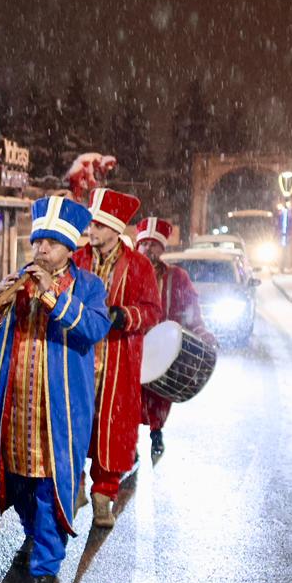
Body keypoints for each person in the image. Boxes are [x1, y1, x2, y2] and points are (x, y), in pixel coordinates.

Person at [0, 196, 112, 583]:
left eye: (50, 243)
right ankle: (34, 539)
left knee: (51, 485)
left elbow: (94, 328)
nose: (41, 250)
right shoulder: (18, 280)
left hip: (58, 412)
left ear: (70, 248)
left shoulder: (89, 286)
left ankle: (47, 570)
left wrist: (52, 296)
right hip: (14, 409)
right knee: (19, 484)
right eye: (37, 242)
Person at [73, 187, 162, 529]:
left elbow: (153, 311)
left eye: (97, 226)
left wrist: (124, 316)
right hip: (79, 357)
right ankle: (76, 486)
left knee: (112, 429)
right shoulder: (77, 259)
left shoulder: (138, 265)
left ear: (113, 229)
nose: (90, 231)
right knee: (74, 422)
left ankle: (103, 497)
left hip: (118, 360)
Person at [135, 217, 213, 457]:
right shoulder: (127, 272)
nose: (148, 248)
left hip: (162, 348)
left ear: (162, 248)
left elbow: (190, 309)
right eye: (144, 243)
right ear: (137, 245)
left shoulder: (177, 277)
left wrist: (200, 331)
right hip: (133, 344)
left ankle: (156, 433)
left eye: (154, 244)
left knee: (159, 395)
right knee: (130, 398)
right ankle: (130, 443)